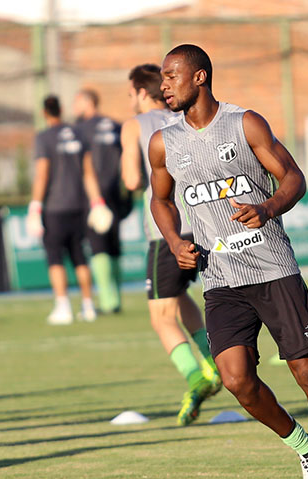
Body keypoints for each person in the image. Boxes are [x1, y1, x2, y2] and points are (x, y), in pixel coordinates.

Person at [149, 44, 308, 479]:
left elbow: (293, 177)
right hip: (220, 277)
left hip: (273, 270)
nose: (163, 85)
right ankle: (305, 450)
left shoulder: (245, 123)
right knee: (236, 380)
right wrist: (173, 242)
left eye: (171, 76)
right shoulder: (164, 143)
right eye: (161, 78)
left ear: (200, 77)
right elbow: (161, 200)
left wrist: (267, 207)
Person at [121, 63, 221, 426]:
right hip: (206, 224)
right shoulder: (184, 116)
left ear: (140, 93)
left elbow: (133, 179)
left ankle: (198, 379)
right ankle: (213, 362)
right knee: (178, 298)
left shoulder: (134, 126)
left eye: (130, 94)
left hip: (168, 232)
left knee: (160, 317)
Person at [26, 95, 109, 325]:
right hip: (79, 206)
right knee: (80, 256)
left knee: (55, 259)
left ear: (44, 113)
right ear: (61, 110)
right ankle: (88, 305)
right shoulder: (78, 134)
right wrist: (97, 202)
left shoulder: (44, 138)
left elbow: (42, 174)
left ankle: (63, 307)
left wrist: (35, 206)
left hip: (54, 208)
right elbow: (89, 172)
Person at [74, 88, 125, 314]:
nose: (75, 107)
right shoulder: (116, 126)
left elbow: (85, 167)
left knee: (98, 246)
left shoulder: (81, 129)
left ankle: (107, 301)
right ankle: (116, 299)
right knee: (114, 245)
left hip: (93, 195)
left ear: (87, 102)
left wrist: (95, 200)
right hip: (115, 192)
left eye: (77, 102)